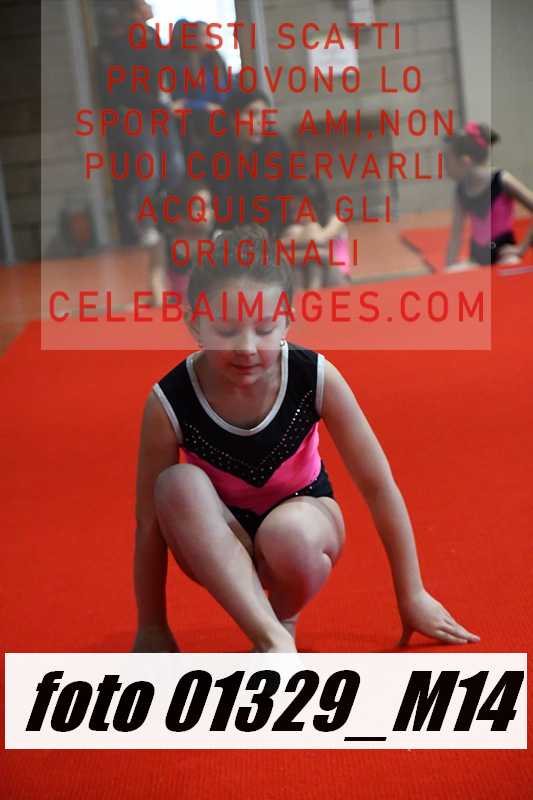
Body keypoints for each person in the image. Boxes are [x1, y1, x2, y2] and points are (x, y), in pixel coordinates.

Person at [133, 224, 480, 653]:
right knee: (175, 485)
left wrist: (412, 593)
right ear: (195, 323)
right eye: (226, 331)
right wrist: (152, 626)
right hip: (219, 540)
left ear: (287, 320)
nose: (247, 347)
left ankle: (280, 621)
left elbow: (378, 485)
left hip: (305, 526)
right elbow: (149, 524)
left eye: (264, 328)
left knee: (289, 535)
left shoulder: (314, 376)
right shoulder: (169, 400)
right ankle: (273, 637)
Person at [95, 0, 185, 245]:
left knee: (176, 167)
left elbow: (164, 71)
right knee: (149, 171)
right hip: (137, 114)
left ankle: (163, 215)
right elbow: (125, 89)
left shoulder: (153, 36)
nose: (149, 8)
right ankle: (143, 223)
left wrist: (168, 97)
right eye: (144, 5)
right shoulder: (120, 44)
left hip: (161, 111)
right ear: (134, 13)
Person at [444, 122, 533, 270]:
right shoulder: (461, 189)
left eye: (447, 161)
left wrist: (522, 249)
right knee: (451, 271)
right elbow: (456, 233)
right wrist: (448, 268)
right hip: (477, 260)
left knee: (511, 266)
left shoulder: (502, 180)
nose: (444, 168)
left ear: (465, 161)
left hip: (503, 255)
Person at [281, 177, 352, 291]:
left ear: (317, 206)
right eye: (293, 211)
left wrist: (290, 250)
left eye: (302, 210)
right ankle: (302, 293)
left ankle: (314, 289)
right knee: (293, 231)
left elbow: (318, 239)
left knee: (312, 228)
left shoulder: (335, 221)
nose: (296, 216)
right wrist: (320, 254)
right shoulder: (293, 229)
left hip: (335, 277)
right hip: (303, 278)